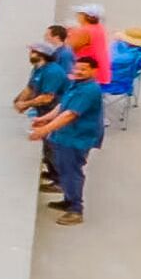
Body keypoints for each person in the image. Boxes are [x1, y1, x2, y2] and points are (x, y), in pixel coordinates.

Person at [31, 43, 104, 222]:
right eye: (77, 68)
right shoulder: (76, 84)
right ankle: (67, 200)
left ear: (94, 71)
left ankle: (76, 209)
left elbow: (70, 114)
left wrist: (44, 130)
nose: (78, 72)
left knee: (71, 171)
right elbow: (62, 106)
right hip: (65, 136)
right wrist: (44, 118)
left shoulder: (89, 90)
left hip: (76, 138)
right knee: (64, 169)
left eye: (83, 69)